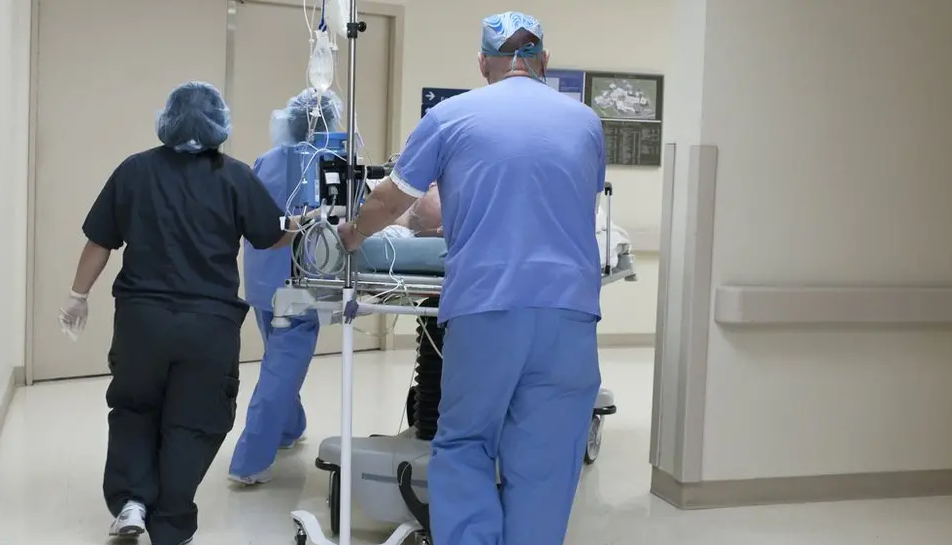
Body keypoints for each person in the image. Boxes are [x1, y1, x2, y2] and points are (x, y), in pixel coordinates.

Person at [337, 12, 605, 545]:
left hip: (487, 308)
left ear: (483, 63)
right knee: (548, 458)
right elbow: (580, 199)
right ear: (544, 61)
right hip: (569, 314)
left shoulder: (452, 116)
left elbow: (393, 200)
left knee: (465, 444)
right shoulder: (586, 122)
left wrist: (351, 235)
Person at [57, 81, 316, 545]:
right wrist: (301, 224)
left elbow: (100, 240)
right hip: (208, 326)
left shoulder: (133, 171)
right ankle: (172, 522)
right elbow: (269, 234)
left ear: (168, 119)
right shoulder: (235, 176)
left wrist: (78, 294)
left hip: (142, 322)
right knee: (194, 419)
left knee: (135, 407)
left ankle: (132, 502)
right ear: (219, 124)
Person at [228, 88, 343, 485]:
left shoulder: (267, 160)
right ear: (331, 123)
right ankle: (250, 461)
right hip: (302, 285)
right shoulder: (334, 162)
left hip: (262, 279)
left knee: (280, 360)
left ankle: (290, 428)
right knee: (280, 370)